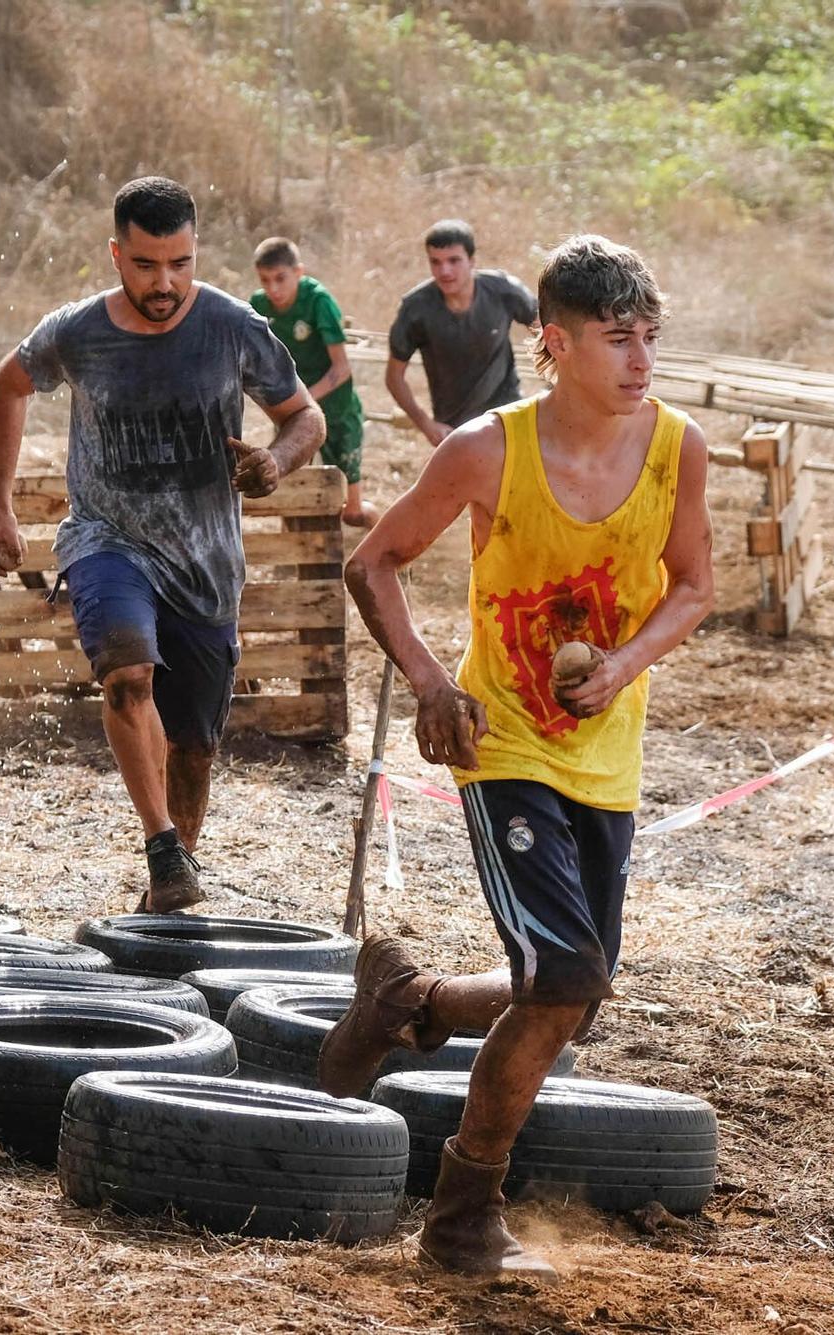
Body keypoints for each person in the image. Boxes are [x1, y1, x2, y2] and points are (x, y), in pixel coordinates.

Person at [326, 234, 715, 1277]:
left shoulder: (676, 447)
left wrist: (626, 661)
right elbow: (374, 562)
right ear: (554, 344)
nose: (639, 360)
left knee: (571, 989)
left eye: (649, 338)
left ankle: (407, 1003)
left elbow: (692, 586)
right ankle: (460, 1219)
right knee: (560, 983)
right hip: (498, 744)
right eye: (615, 338)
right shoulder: (484, 450)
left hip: (606, 754)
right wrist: (428, 684)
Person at [0, 177, 326, 912]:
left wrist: (276, 459)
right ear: (115, 255)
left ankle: (174, 880)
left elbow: (305, 418)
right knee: (128, 676)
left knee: (195, 748)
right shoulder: (76, 331)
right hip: (108, 541)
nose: (164, 284)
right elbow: (6, 388)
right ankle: (162, 842)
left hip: (206, 565)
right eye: (145, 265)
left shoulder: (233, 326)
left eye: (181, 264)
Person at [248, 237, 376, 528]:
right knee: (294, 500)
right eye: (265, 280)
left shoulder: (319, 300)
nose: (273, 289)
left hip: (335, 408)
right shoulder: (258, 304)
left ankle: (386, 545)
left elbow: (341, 369)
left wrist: (304, 402)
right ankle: (298, 563)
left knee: (351, 513)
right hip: (292, 413)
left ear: (299, 272)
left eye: (281, 278)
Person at [385, 219, 539, 446]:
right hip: (455, 427)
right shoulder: (416, 309)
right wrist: (426, 424)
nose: (444, 271)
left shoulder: (503, 291)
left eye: (454, 261)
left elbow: (546, 333)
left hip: (507, 415)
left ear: (472, 260)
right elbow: (394, 377)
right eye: (435, 262)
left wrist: (555, 384)